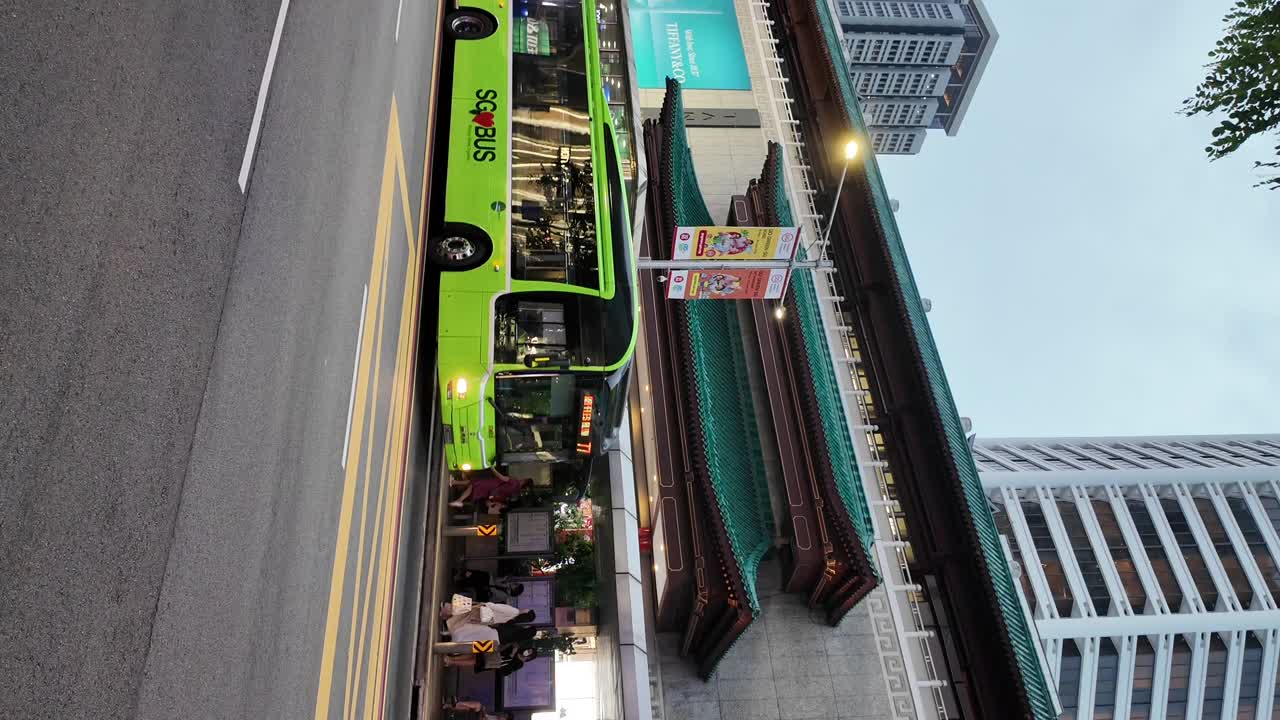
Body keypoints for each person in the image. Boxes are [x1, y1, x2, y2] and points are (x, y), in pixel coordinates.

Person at [449, 467, 531, 509]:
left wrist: (493, 468)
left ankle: (459, 500)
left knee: (473, 485)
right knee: (473, 483)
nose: (522, 478)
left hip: (492, 485)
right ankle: (454, 482)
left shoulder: (515, 482)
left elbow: (501, 477)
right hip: (491, 491)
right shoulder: (515, 491)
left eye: (524, 479)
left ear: (524, 481)